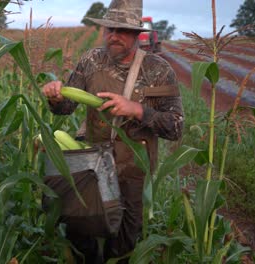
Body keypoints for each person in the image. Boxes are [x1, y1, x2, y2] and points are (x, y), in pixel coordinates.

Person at [42, 0, 184, 263]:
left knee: (124, 243)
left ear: (137, 33)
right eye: (109, 29)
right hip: (91, 167)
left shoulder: (158, 70)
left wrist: (137, 110)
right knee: (81, 230)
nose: (113, 36)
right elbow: (66, 108)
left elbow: (176, 126)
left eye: (122, 29)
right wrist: (55, 97)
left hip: (133, 171)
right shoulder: (91, 61)